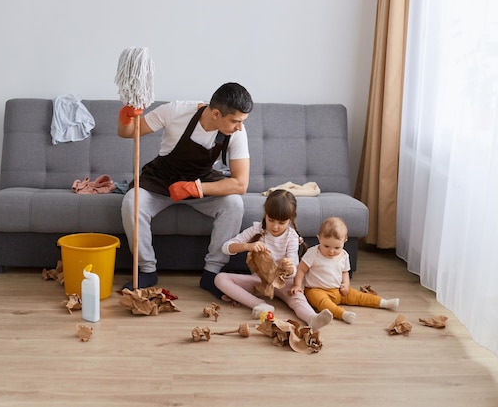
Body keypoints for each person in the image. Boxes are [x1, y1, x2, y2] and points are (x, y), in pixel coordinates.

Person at [117, 82, 253, 298]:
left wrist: (195, 188)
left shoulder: (237, 133)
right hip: (160, 180)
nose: (240, 127)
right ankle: (147, 270)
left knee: (234, 203)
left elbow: (240, 184)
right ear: (216, 113)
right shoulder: (176, 111)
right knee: (131, 203)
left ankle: (212, 273)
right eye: (235, 121)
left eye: (242, 121)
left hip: (200, 181)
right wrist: (126, 116)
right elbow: (129, 133)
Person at [214, 189, 334, 331]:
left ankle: (312, 318)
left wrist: (289, 268)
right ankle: (259, 304)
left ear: (291, 219)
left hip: (284, 284)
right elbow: (226, 247)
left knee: (298, 298)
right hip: (260, 282)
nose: (275, 226)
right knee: (220, 279)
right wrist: (248, 246)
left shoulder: (292, 237)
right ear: (265, 214)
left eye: (282, 222)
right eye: (270, 220)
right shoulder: (257, 229)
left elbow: (294, 267)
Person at [290, 216, 400, 323]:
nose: (331, 251)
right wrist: (297, 285)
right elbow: (301, 270)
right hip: (316, 290)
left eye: (337, 247)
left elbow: (345, 272)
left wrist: (346, 284)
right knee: (323, 303)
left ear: (345, 241)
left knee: (358, 296)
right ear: (319, 238)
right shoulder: (313, 253)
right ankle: (342, 314)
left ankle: (383, 303)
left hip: (338, 290)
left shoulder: (344, 255)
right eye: (326, 246)